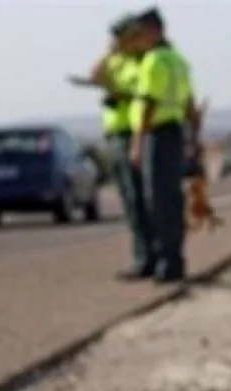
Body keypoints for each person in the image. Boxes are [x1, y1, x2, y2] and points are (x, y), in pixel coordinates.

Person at [128, 7, 202, 283]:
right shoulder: (178, 61)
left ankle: (167, 262)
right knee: (171, 198)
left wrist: (137, 143)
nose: (140, 39)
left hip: (158, 134)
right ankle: (175, 258)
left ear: (153, 31)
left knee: (157, 200)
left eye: (142, 33)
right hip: (175, 134)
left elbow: (148, 103)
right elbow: (190, 104)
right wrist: (194, 139)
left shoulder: (154, 62)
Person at [90, 14, 156, 281]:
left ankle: (148, 258)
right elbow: (95, 75)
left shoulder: (141, 62)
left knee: (141, 199)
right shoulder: (117, 60)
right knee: (130, 201)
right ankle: (143, 255)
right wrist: (109, 53)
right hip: (115, 134)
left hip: (134, 133)